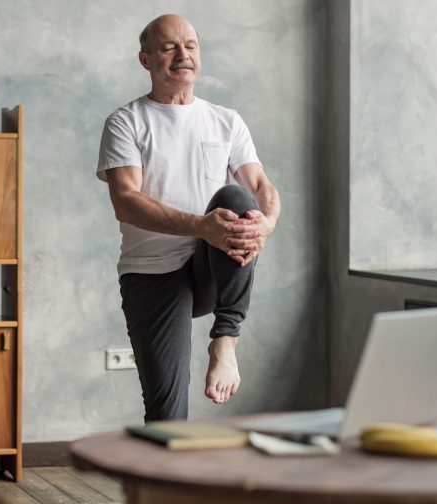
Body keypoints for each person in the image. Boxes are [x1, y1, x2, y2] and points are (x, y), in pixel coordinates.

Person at [96, 13, 280, 422]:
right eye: (169, 47)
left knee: (237, 196)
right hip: (151, 272)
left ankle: (225, 342)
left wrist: (266, 223)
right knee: (165, 411)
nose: (183, 55)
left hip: (210, 267)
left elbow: (263, 188)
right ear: (146, 60)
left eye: (191, 46)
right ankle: (162, 485)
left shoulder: (226, 120)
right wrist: (202, 226)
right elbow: (125, 201)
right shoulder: (126, 121)